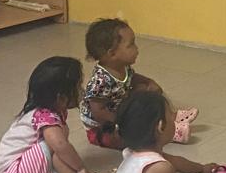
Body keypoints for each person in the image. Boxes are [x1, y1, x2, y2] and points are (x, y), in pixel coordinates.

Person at [0, 56, 110, 173]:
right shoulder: (45, 116)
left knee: (58, 144)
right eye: (78, 87)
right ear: (61, 98)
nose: (81, 91)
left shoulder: (50, 111)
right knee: (58, 146)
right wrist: (81, 168)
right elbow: (60, 145)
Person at [81, 18, 198, 150]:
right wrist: (125, 122)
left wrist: (148, 82)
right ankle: (166, 133)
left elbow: (132, 78)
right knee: (130, 140)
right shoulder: (100, 81)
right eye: (131, 45)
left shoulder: (122, 66)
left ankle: (169, 117)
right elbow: (98, 112)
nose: (137, 48)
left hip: (120, 106)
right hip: (102, 128)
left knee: (144, 90)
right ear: (112, 54)